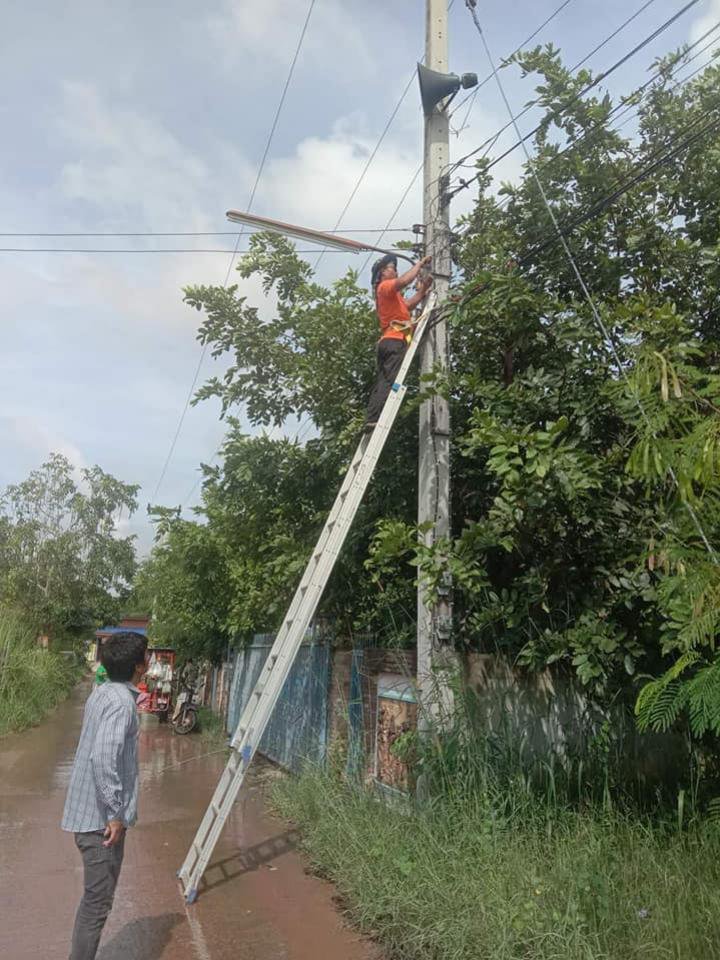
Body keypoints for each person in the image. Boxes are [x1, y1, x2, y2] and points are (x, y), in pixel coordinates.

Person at [61, 631, 148, 960]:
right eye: (147, 657)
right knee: (97, 905)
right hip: (100, 823)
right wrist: (114, 813)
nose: (149, 663)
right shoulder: (121, 703)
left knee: (96, 902)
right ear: (139, 666)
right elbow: (104, 757)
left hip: (92, 817)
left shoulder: (102, 692)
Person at [365, 253, 433, 429]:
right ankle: (374, 418)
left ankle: (372, 417)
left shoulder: (394, 298)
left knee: (384, 380)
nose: (395, 271)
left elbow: (409, 304)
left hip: (390, 342)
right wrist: (419, 265)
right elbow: (403, 281)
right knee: (388, 381)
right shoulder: (384, 287)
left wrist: (423, 289)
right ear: (382, 273)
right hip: (394, 341)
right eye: (391, 268)